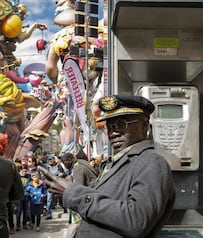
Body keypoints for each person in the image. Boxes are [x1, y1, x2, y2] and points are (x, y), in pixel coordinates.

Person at [39, 95, 176, 238]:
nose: (114, 133)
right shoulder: (121, 161)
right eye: (109, 127)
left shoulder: (151, 162)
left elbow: (136, 220)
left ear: (144, 126)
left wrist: (73, 192)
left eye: (121, 125)